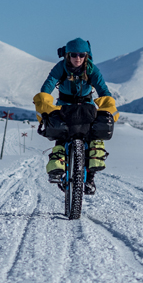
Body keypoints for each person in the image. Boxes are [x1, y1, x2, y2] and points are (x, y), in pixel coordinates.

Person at [33, 38, 118, 195]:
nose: (77, 58)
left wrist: (107, 105)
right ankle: (59, 167)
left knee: (92, 137)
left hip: (86, 106)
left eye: (81, 55)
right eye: (73, 54)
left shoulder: (91, 69)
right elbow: (48, 85)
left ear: (86, 55)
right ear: (67, 55)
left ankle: (90, 178)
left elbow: (103, 90)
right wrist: (44, 101)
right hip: (64, 106)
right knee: (62, 134)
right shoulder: (60, 68)